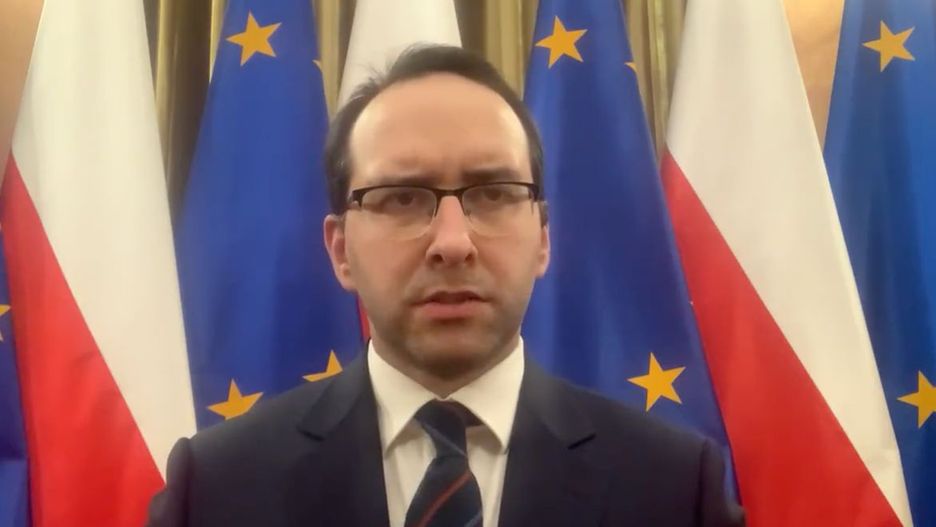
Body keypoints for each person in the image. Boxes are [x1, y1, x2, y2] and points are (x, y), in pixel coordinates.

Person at [147, 45, 744, 527]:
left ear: (543, 238)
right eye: (402, 198)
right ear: (340, 250)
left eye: (493, 193)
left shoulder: (671, 487)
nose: (453, 242)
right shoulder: (220, 487)